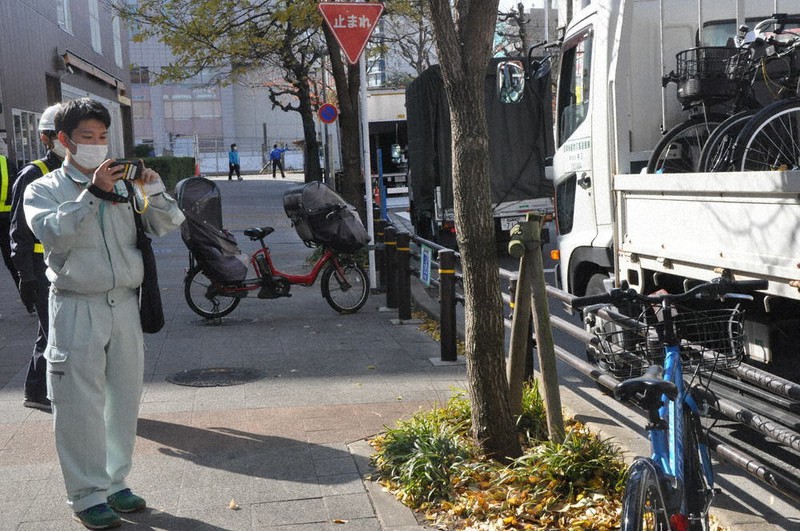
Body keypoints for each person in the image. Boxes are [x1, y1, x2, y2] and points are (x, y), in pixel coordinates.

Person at [23, 98, 184, 530]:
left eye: (102, 137)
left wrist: (152, 188)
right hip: (77, 305)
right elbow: (53, 234)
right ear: (64, 141)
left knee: (123, 399)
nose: (97, 145)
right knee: (78, 404)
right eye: (86, 138)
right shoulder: (44, 188)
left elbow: (166, 224)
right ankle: (86, 493)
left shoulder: (125, 185)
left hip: (124, 306)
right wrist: (93, 193)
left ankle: (115, 483)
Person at [10, 103, 66, 412]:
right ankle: (36, 389)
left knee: (53, 329)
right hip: (40, 268)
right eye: (55, 135)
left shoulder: (73, 171)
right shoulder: (33, 173)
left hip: (65, 265)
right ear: (45, 139)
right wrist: (25, 277)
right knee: (52, 329)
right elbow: (18, 230)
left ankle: (37, 389)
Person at [0, 147, 22, 301]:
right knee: (13, 262)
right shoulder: (6, 162)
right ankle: (29, 299)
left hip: (6, 218)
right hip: (7, 218)